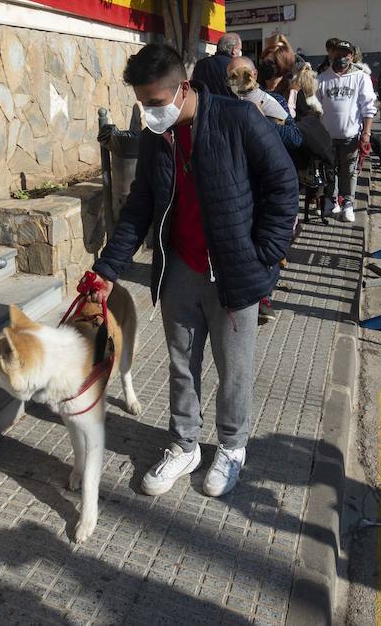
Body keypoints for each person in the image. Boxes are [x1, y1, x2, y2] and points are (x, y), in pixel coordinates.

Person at [85, 43, 296, 499]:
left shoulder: (237, 119)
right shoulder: (153, 136)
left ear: (183, 88)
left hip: (234, 271)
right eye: (142, 104)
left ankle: (232, 447)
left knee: (233, 369)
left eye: (156, 103)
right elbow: (139, 205)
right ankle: (184, 444)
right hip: (178, 268)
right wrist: (108, 268)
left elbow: (284, 183)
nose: (149, 113)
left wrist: (264, 253)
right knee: (182, 365)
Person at [316, 39, 377, 223]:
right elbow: (315, 107)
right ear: (331, 55)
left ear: (351, 56)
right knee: (329, 170)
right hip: (328, 137)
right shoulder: (321, 79)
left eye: (345, 54)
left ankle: (348, 204)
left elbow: (368, 107)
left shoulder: (360, 77)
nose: (341, 57)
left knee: (349, 171)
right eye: (338, 54)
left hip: (350, 136)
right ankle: (330, 200)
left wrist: (366, 133)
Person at [189, 31, 241, 97]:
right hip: (230, 106)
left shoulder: (200, 64)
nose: (240, 53)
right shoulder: (235, 66)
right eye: (240, 49)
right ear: (234, 49)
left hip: (204, 106)